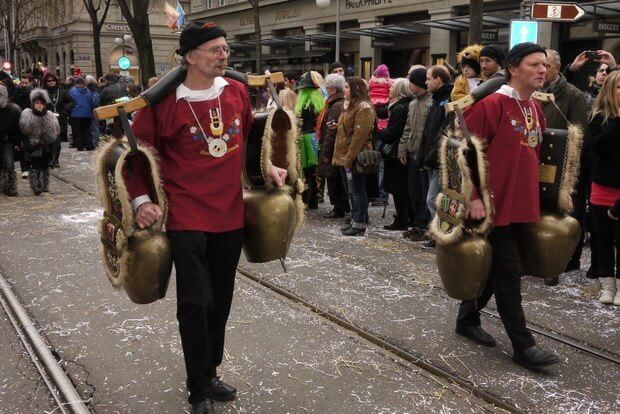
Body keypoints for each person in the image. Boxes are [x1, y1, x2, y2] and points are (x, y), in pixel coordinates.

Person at [122, 21, 287, 414]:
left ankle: (210, 371)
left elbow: (247, 141)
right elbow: (133, 158)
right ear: (191, 57)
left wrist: (269, 169)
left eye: (225, 48)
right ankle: (198, 389)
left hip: (229, 215)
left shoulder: (236, 91)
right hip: (185, 216)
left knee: (221, 302)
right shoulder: (161, 104)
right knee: (195, 303)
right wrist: (142, 200)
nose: (224, 55)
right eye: (215, 49)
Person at [456, 43, 560, 371]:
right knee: (508, 272)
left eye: (544, 65)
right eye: (534, 64)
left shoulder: (535, 108)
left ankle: (467, 320)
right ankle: (522, 344)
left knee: (496, 268)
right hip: (490, 203)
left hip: (519, 202)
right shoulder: (491, 105)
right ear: (514, 68)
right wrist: (471, 196)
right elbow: (463, 152)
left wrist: (559, 192)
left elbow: (539, 157)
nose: (542, 70)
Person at [541, 49, 589, 285]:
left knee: (557, 213)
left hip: (559, 162)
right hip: (534, 159)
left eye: (546, 65)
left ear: (557, 68)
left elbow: (580, 134)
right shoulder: (532, 91)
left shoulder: (573, 95)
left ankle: (555, 263)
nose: (541, 70)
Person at [587, 70, 620, 306]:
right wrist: (617, 123)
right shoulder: (599, 118)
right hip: (602, 186)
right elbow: (596, 148)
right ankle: (607, 285)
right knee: (604, 240)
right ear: (610, 90)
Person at [333, 76, 375, 236]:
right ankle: (355, 218)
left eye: (347, 87)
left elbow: (360, 136)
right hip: (345, 155)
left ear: (355, 89)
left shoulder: (364, 107)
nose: (344, 89)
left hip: (355, 157)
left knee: (357, 190)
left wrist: (349, 158)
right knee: (350, 189)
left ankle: (359, 222)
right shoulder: (351, 106)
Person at [419, 65, 453, 249]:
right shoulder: (436, 100)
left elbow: (444, 132)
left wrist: (433, 154)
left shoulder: (447, 100)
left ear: (438, 80)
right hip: (432, 157)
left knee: (434, 199)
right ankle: (437, 234)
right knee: (433, 198)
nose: (426, 82)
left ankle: (442, 234)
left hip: (440, 158)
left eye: (428, 78)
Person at [376, 78, 413, 230]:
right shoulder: (407, 104)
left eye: (392, 87)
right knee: (404, 189)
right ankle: (407, 217)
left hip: (396, 152)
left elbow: (392, 133)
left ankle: (402, 219)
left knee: (398, 189)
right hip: (402, 151)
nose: (389, 89)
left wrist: (379, 131)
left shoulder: (399, 108)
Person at [399, 67, 432, 241]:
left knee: (424, 192)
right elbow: (408, 128)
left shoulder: (430, 103)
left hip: (423, 154)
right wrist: (402, 149)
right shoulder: (413, 103)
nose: (409, 85)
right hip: (412, 152)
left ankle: (425, 226)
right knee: (414, 193)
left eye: (412, 82)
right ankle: (418, 225)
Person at [317, 73, 349, 219]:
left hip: (333, 145)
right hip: (333, 144)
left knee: (333, 177)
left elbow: (331, 130)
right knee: (335, 177)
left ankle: (339, 207)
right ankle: (341, 205)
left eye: (328, 88)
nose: (327, 90)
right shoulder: (335, 102)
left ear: (334, 89)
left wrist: (326, 150)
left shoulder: (336, 105)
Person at [19, 88, 60, 195]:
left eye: (41, 103)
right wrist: (27, 145)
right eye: (37, 103)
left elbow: (55, 132)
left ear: (45, 105)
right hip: (34, 145)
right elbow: (24, 131)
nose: (39, 105)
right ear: (33, 104)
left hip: (47, 146)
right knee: (35, 166)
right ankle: (36, 186)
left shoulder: (50, 116)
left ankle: (45, 184)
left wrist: (52, 147)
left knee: (45, 166)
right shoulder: (27, 115)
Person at [295, 71, 325, 210]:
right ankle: (313, 200)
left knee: (307, 171)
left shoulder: (303, 105)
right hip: (313, 137)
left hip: (305, 138)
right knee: (314, 171)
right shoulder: (318, 104)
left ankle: (310, 200)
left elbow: (299, 123)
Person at [42, 72, 74, 167]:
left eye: (53, 81)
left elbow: (72, 101)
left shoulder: (62, 92)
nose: (51, 82)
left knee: (57, 142)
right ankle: (50, 159)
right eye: (49, 81)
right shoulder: (43, 93)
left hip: (59, 120)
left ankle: (55, 160)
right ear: (45, 82)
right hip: (46, 119)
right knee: (48, 141)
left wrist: (65, 111)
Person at [0, 85, 21, 196]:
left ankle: (11, 187)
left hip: (7, 141)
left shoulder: (13, 110)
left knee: (8, 165)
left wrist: (18, 143)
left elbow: (18, 129)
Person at [69, 77, 95, 151]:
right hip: (87, 114)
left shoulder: (72, 91)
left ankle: (80, 146)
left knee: (78, 131)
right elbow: (91, 102)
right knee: (87, 130)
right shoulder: (88, 91)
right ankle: (89, 145)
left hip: (75, 114)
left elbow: (69, 101)